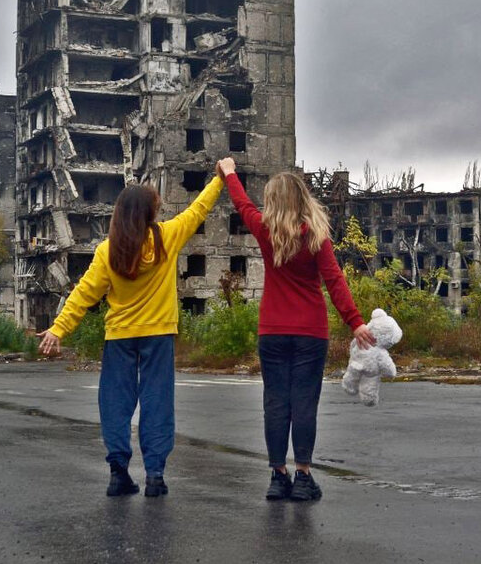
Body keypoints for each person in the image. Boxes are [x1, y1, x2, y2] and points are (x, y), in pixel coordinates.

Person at [37, 168, 224, 498]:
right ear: (150, 213)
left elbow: (83, 294)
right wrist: (220, 178)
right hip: (159, 335)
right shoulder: (167, 237)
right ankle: (155, 476)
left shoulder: (107, 251)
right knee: (157, 403)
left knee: (115, 403)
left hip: (120, 337)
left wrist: (58, 328)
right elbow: (198, 210)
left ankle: (118, 473)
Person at [218, 158, 376, 501]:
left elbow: (242, 204)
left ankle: (278, 477)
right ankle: (303, 477)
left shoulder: (264, 230)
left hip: (272, 331)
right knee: (304, 403)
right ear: (303, 200)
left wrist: (230, 173)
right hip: (309, 332)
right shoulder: (317, 237)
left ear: (274, 202)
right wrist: (355, 322)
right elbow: (334, 281)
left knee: (275, 403)